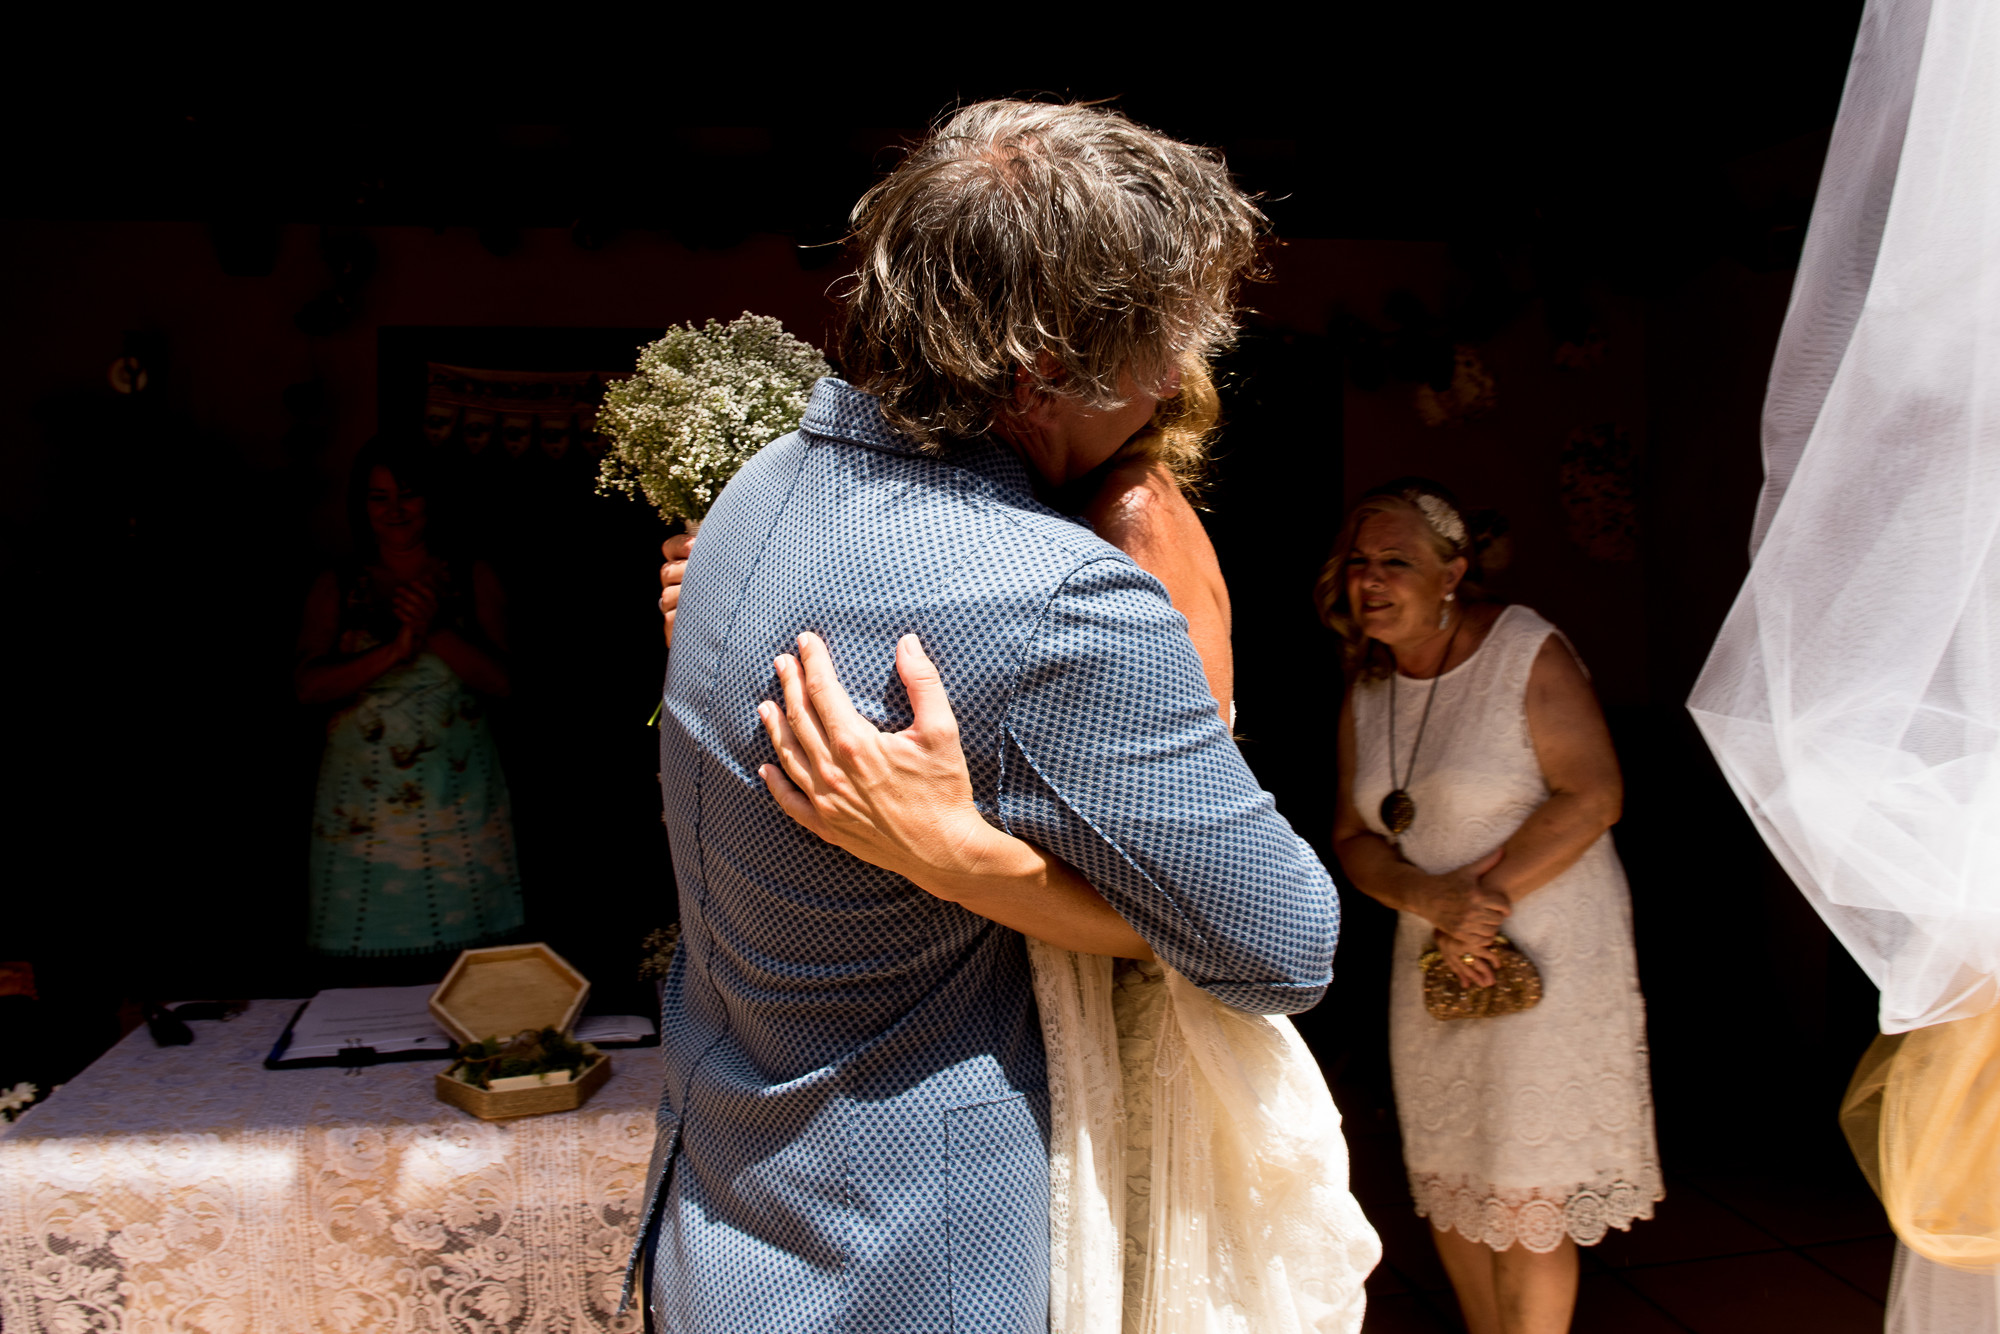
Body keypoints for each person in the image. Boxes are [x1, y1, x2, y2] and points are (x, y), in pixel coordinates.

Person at [631, 100, 1343, 1332]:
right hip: (902, 1260)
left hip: (722, 1212)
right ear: (1036, 374)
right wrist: (966, 859)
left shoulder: (759, 488)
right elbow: (1280, 944)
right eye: (1158, 347)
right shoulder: (1053, 598)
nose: (1177, 380)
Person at [1325, 479, 1660, 1334]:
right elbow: (1356, 839)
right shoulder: (1369, 687)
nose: (1371, 579)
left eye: (1396, 561)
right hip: (1433, 952)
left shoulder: (1524, 649)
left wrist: (1486, 899)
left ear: (1452, 572)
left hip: (1543, 945)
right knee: (1452, 1177)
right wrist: (1429, 898)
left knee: (1523, 1188)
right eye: (1359, 561)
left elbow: (1594, 795)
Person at [295, 436, 524, 979]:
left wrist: (435, 631)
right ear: (361, 506)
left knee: (471, 967)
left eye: (409, 494)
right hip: (360, 813)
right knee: (360, 974)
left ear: (433, 500)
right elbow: (307, 687)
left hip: (459, 800)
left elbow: (506, 685)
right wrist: (395, 650)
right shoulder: (337, 585)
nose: (394, 510)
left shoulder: (471, 577)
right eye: (378, 497)